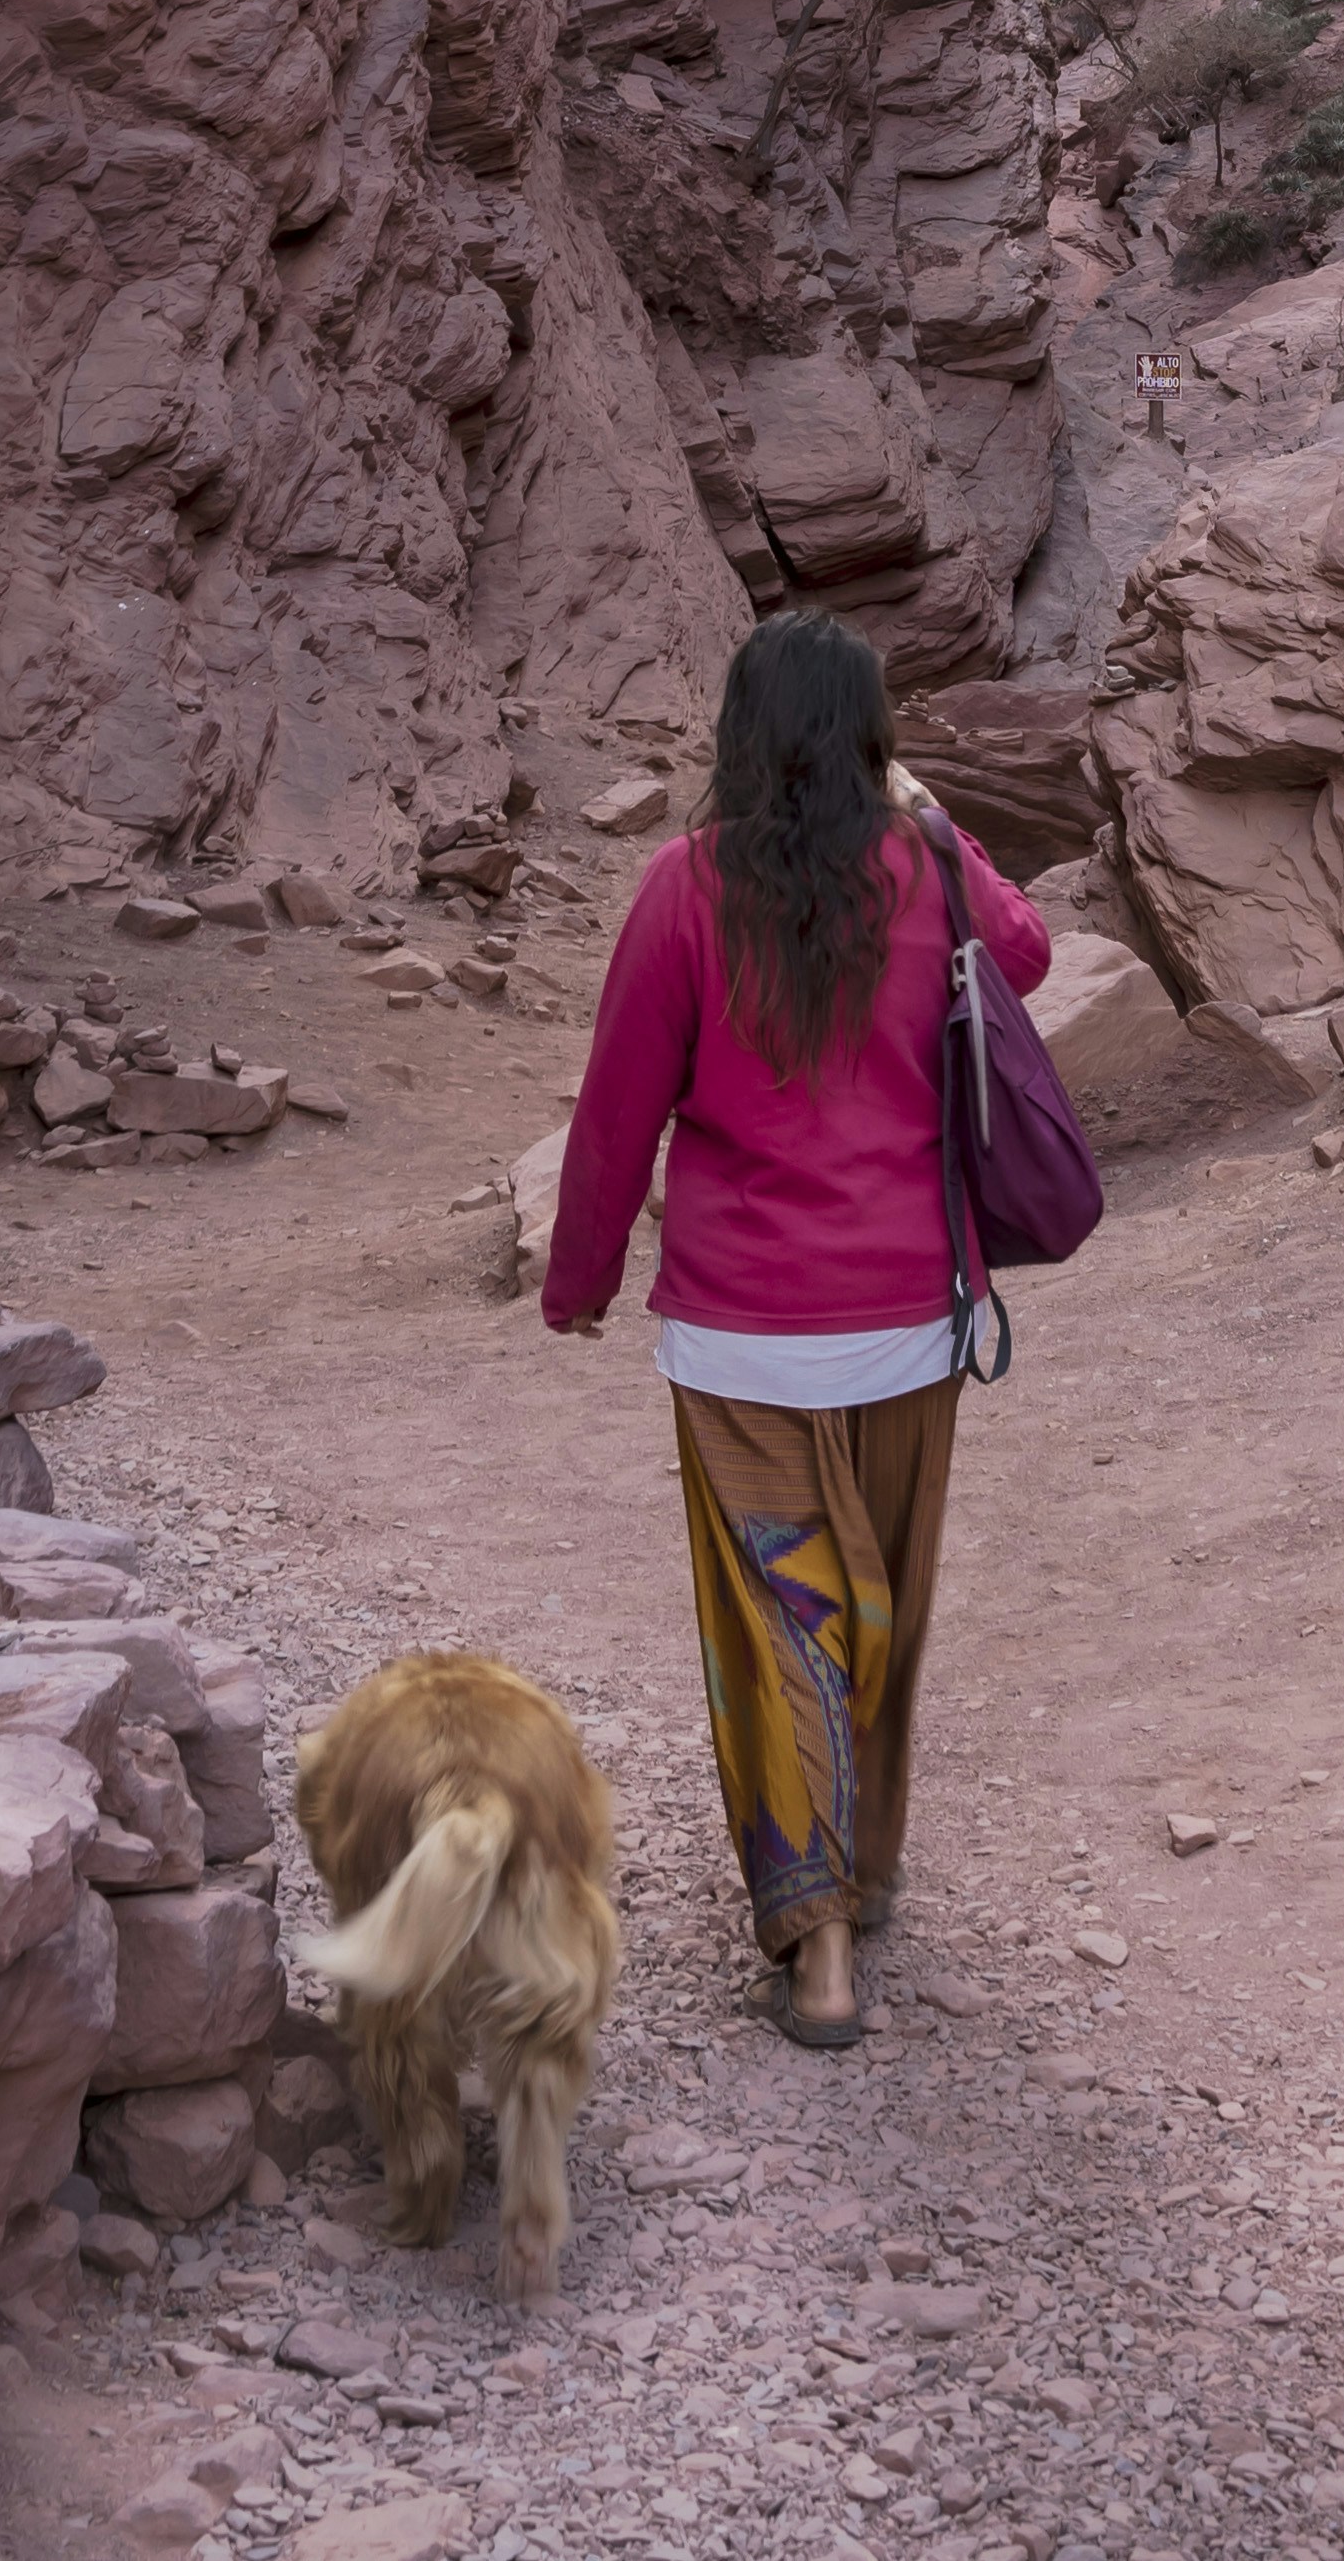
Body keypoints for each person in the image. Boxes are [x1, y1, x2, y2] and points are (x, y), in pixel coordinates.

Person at [541, 612, 1051, 2045]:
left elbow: (616, 1111)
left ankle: (813, 1936)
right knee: (883, 1611)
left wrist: (577, 1282)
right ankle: (863, 1870)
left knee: (783, 1624)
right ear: (874, 741)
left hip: (743, 1339)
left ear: (737, 739)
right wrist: (933, 818)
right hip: (909, 1325)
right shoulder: (927, 875)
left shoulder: (682, 889)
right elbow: (1030, 953)